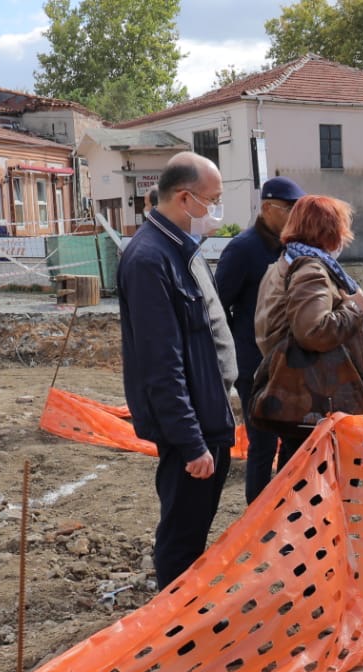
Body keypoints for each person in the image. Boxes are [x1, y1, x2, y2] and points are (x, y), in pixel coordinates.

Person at [117, 151, 237, 588]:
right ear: (186, 199)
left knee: (194, 527)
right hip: (189, 428)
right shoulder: (151, 259)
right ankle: (179, 633)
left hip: (206, 413)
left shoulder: (181, 250)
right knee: (181, 536)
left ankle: (188, 616)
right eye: (214, 200)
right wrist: (191, 443)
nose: (217, 213)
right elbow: (160, 364)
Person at [254, 194, 363, 465]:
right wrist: (355, 309)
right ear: (330, 232)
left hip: (298, 394)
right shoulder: (311, 269)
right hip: (316, 399)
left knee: (296, 475)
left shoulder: (285, 262)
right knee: (316, 480)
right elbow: (313, 331)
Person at [215, 176, 305, 502]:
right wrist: (236, 351)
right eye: (290, 209)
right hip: (254, 365)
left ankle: (280, 507)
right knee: (262, 442)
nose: (296, 215)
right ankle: (257, 513)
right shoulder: (242, 249)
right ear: (267, 208)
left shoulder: (291, 248)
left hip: (287, 362)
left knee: (292, 438)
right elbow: (216, 306)